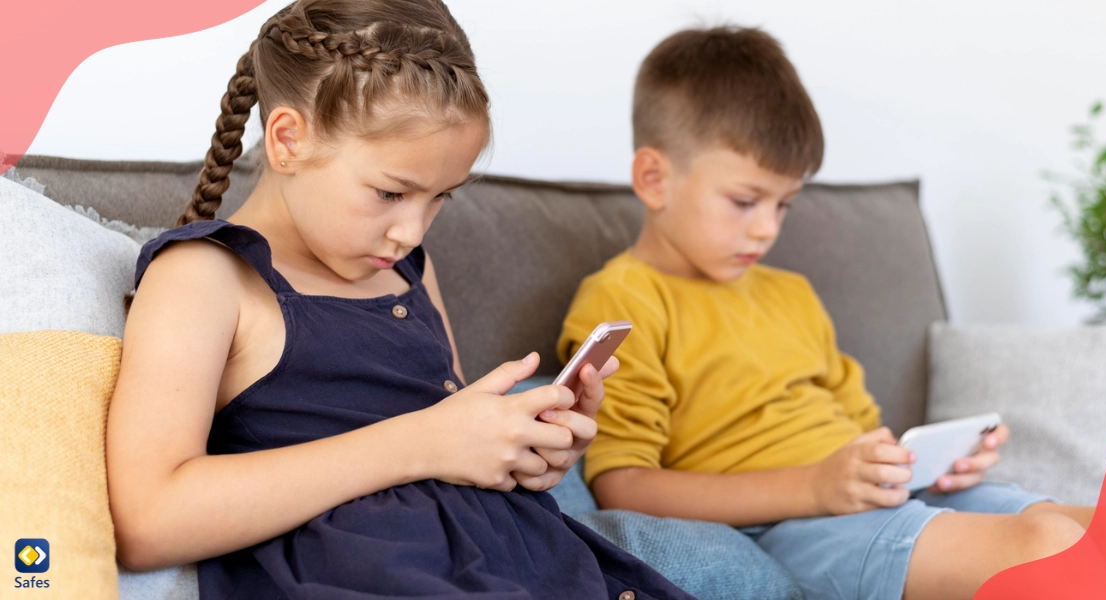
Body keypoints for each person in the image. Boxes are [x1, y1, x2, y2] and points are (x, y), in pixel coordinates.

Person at [106, 2, 693, 598]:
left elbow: (458, 448)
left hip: (528, 559)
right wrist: (424, 443)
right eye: (391, 192)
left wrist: (524, 451)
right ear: (288, 140)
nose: (413, 231)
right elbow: (149, 519)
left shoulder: (406, 271)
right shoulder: (205, 277)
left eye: (442, 197)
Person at [558, 25, 1095, 600]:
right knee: (1048, 547)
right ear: (654, 179)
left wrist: (931, 461)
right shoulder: (627, 299)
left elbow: (868, 431)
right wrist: (814, 488)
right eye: (744, 202)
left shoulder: (791, 293)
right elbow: (623, 486)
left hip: (886, 497)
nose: (767, 229)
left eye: (784, 204)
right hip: (802, 524)